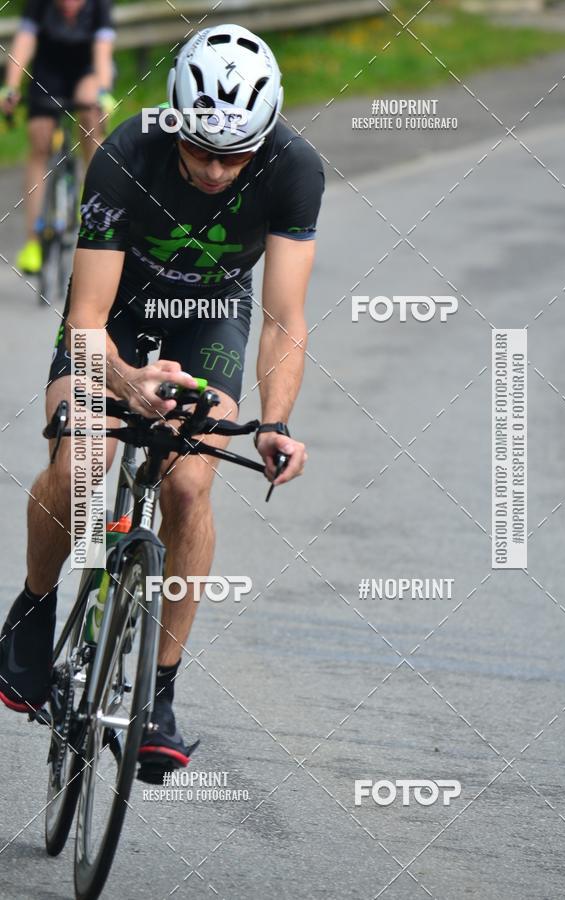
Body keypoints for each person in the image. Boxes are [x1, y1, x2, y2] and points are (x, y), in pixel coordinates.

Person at [0, 24, 324, 781]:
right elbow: (86, 320)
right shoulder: (126, 153)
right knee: (83, 466)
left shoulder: (295, 167)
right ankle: (34, 610)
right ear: (175, 118)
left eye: (234, 156)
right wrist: (127, 384)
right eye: (201, 150)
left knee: (187, 484)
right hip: (113, 312)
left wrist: (275, 421)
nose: (215, 170)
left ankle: (159, 693)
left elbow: (283, 319)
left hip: (211, 314)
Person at [0, 0, 116, 274]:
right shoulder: (39, 4)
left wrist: (102, 93)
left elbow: (102, 52)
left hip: (88, 71)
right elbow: (25, 41)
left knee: (90, 111)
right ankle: (33, 241)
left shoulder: (99, 5)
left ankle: (91, 192)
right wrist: (11, 87)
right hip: (49, 72)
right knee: (39, 138)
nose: (68, 5)